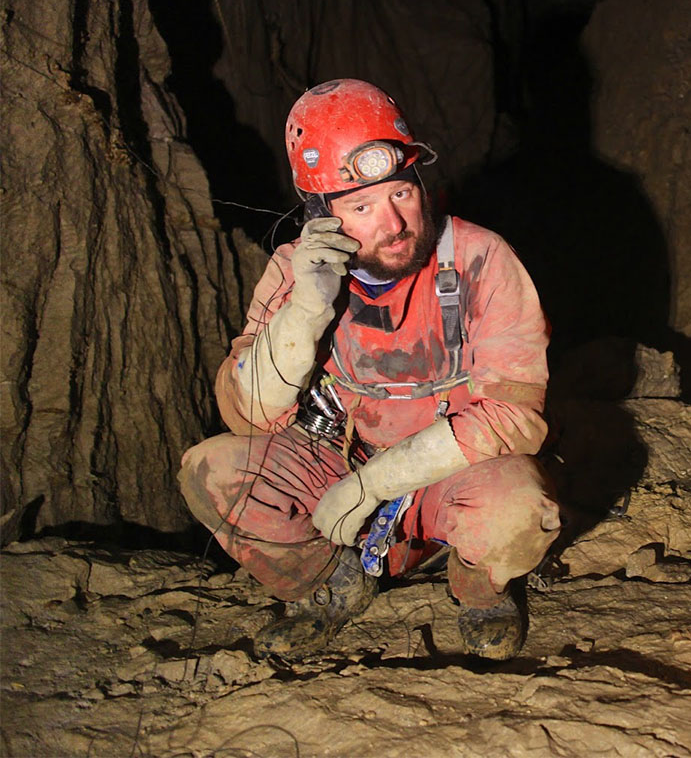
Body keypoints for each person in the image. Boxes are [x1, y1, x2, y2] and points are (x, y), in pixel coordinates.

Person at [177, 78, 560, 660]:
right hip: (337, 454)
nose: (396, 223)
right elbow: (248, 414)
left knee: (520, 510)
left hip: (450, 473)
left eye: (401, 193)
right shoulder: (293, 271)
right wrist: (304, 311)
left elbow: (514, 415)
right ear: (320, 215)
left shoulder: (482, 258)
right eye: (361, 207)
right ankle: (333, 584)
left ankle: (479, 588)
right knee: (212, 470)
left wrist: (374, 484)